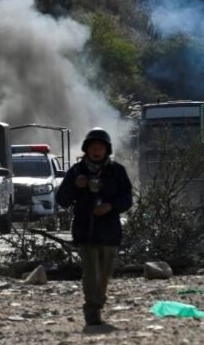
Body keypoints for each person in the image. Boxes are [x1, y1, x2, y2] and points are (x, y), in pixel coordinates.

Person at [55, 128, 133, 329]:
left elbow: (127, 199)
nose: (96, 151)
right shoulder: (76, 171)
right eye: (93, 148)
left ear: (107, 150)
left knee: (104, 274)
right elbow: (62, 199)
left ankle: (98, 302)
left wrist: (110, 206)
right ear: (86, 149)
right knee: (91, 273)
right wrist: (75, 185)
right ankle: (92, 309)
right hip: (85, 231)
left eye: (100, 148)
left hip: (109, 232)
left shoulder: (117, 171)